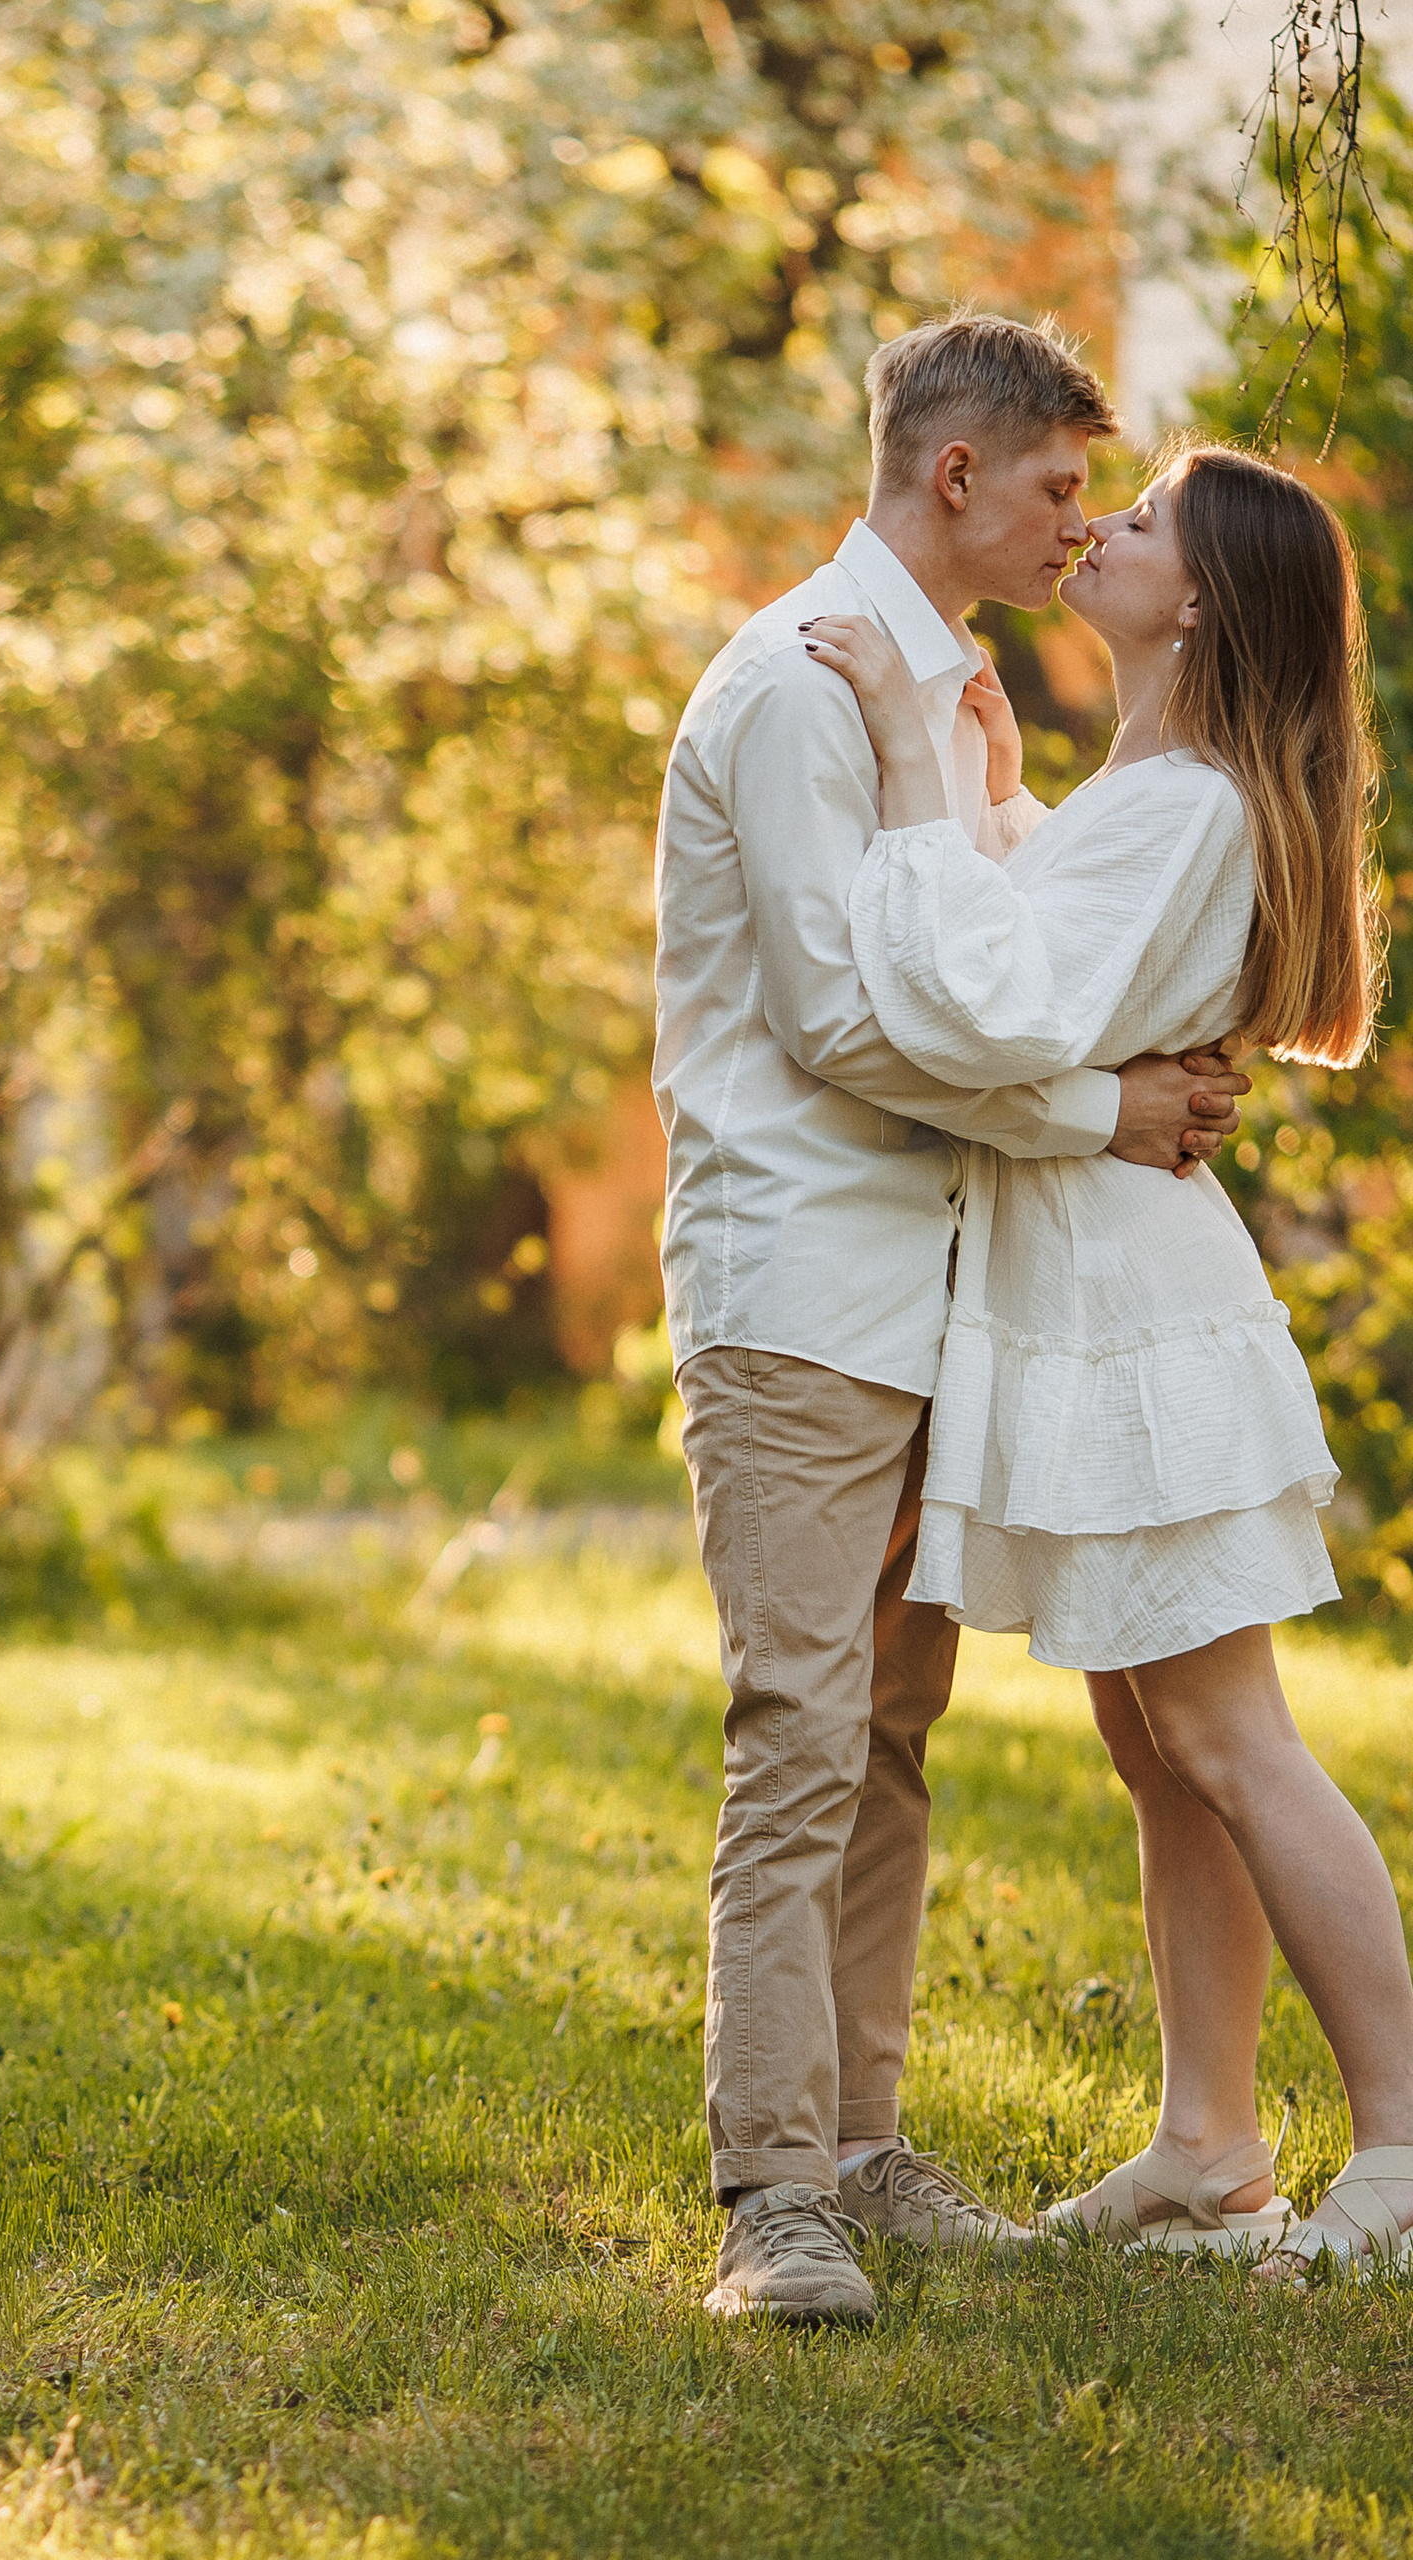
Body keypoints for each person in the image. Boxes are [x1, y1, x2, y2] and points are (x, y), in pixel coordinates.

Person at [652, 313, 1248, 2327]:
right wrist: (1111, 1110)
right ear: (953, 477)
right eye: (1062, 483)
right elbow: (851, 1018)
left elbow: (990, 952)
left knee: (891, 1736)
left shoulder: (935, 694)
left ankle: (862, 2144)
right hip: (800, 1291)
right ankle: (770, 2201)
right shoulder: (796, 685)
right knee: (800, 1725)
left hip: (936, 1296)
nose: (1079, 521)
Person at [808, 440, 1413, 2281]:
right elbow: (1050, 959)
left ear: (1205, 597)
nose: (1102, 528)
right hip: (1091, 1294)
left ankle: (1400, 2144)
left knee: (1228, 1736)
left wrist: (917, 774)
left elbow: (986, 1013)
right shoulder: (1150, 784)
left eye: (1138, 521)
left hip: (1133, 1316)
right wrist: (999, 802)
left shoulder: (1192, 801)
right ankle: (1212, 2146)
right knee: (1159, 1749)